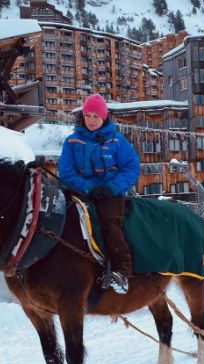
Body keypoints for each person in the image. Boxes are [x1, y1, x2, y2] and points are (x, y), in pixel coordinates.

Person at [58, 94, 140, 294]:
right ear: (82, 117)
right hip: (80, 192)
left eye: (96, 116)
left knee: (110, 223)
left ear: (104, 117)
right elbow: (66, 171)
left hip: (110, 193)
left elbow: (131, 168)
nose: (92, 120)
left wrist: (112, 187)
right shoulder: (72, 141)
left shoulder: (117, 140)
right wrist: (87, 187)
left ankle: (121, 270)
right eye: (88, 116)